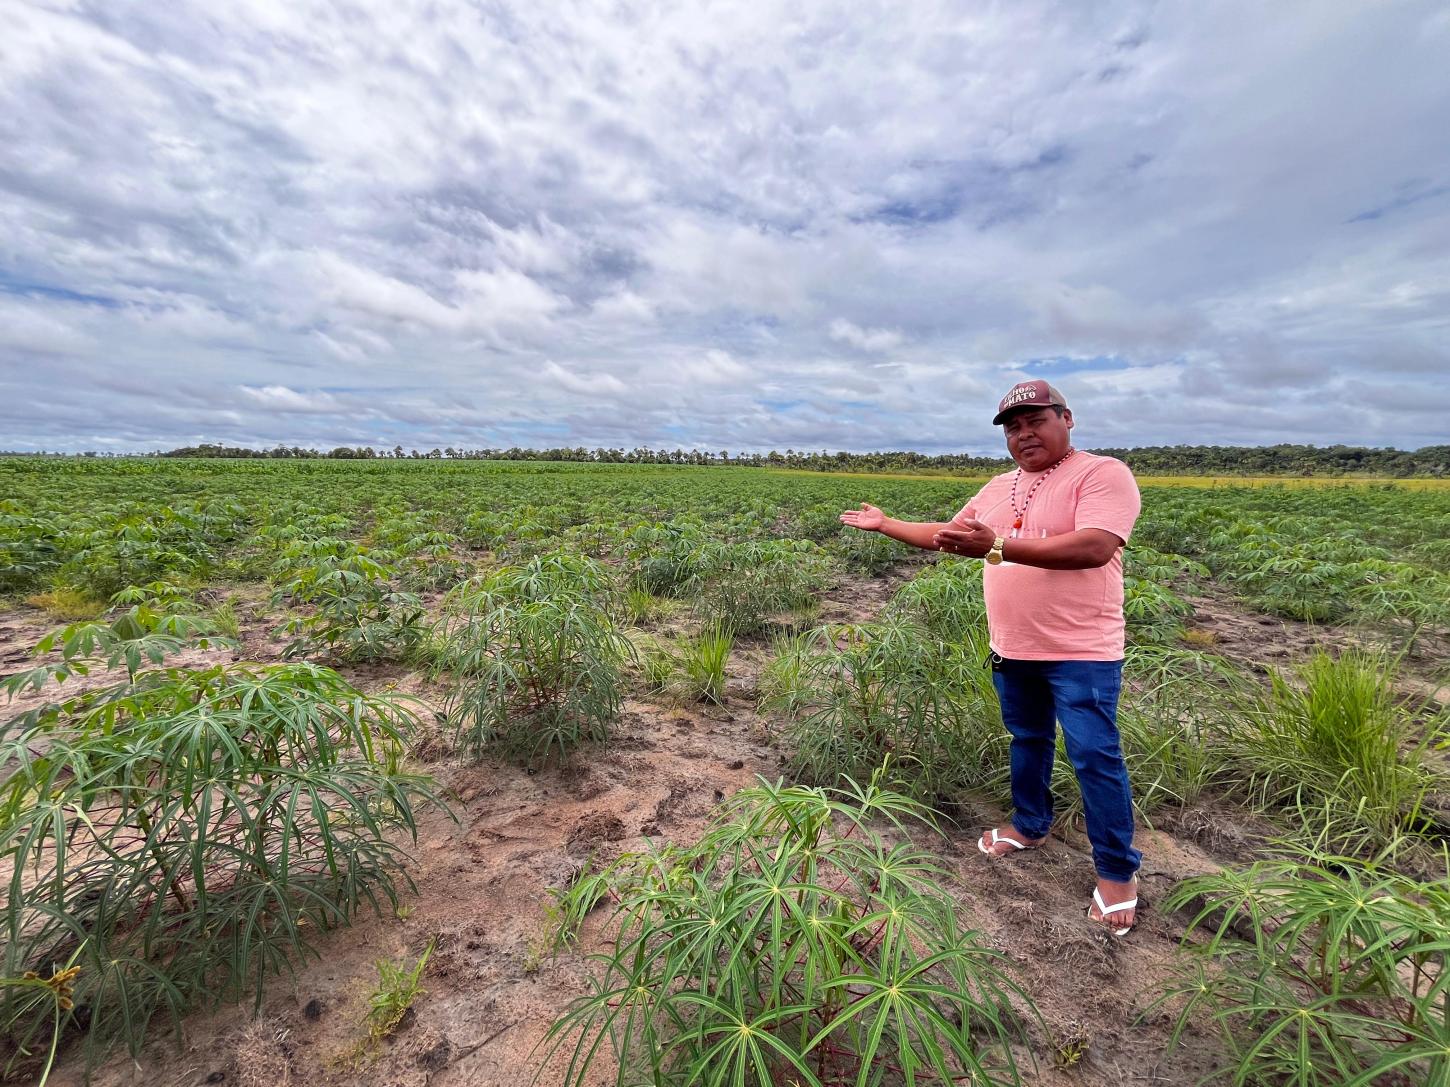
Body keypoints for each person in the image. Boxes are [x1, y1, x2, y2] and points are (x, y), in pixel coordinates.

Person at [839, 379, 1142, 935]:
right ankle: (1030, 825)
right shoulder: (999, 486)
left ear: (1067, 419)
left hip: (1081, 651)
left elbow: (1095, 546)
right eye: (1013, 427)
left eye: (1036, 420)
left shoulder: (1102, 474)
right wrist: (888, 524)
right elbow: (949, 536)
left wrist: (998, 546)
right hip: (1013, 645)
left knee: (1095, 757)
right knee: (1027, 739)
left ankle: (1118, 874)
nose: (1024, 433)